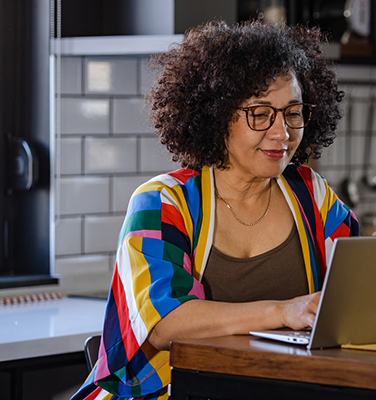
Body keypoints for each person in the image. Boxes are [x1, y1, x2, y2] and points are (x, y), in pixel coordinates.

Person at [71, 21, 359, 400]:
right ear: (217, 114)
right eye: (260, 113)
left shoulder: (312, 196)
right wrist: (283, 312)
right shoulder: (162, 202)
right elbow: (165, 323)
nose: (282, 133)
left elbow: (356, 295)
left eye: (292, 112)